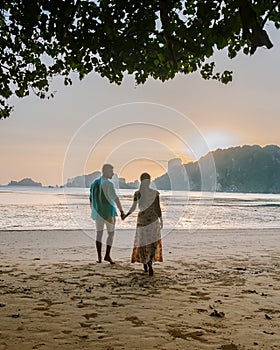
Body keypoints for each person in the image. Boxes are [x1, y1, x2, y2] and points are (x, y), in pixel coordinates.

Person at [124, 172, 163, 276]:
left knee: (143, 242)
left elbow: (133, 207)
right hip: (153, 220)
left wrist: (125, 215)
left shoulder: (138, 193)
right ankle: (150, 261)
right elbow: (157, 208)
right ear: (149, 181)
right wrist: (161, 220)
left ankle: (145, 264)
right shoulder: (155, 193)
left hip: (142, 220)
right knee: (152, 243)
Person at [89, 164, 125, 264]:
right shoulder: (109, 184)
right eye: (111, 171)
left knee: (99, 234)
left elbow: (91, 198)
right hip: (109, 212)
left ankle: (99, 257)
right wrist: (121, 211)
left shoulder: (94, 183)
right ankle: (107, 255)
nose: (113, 174)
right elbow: (115, 198)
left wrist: (93, 209)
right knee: (111, 233)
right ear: (105, 171)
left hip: (98, 213)